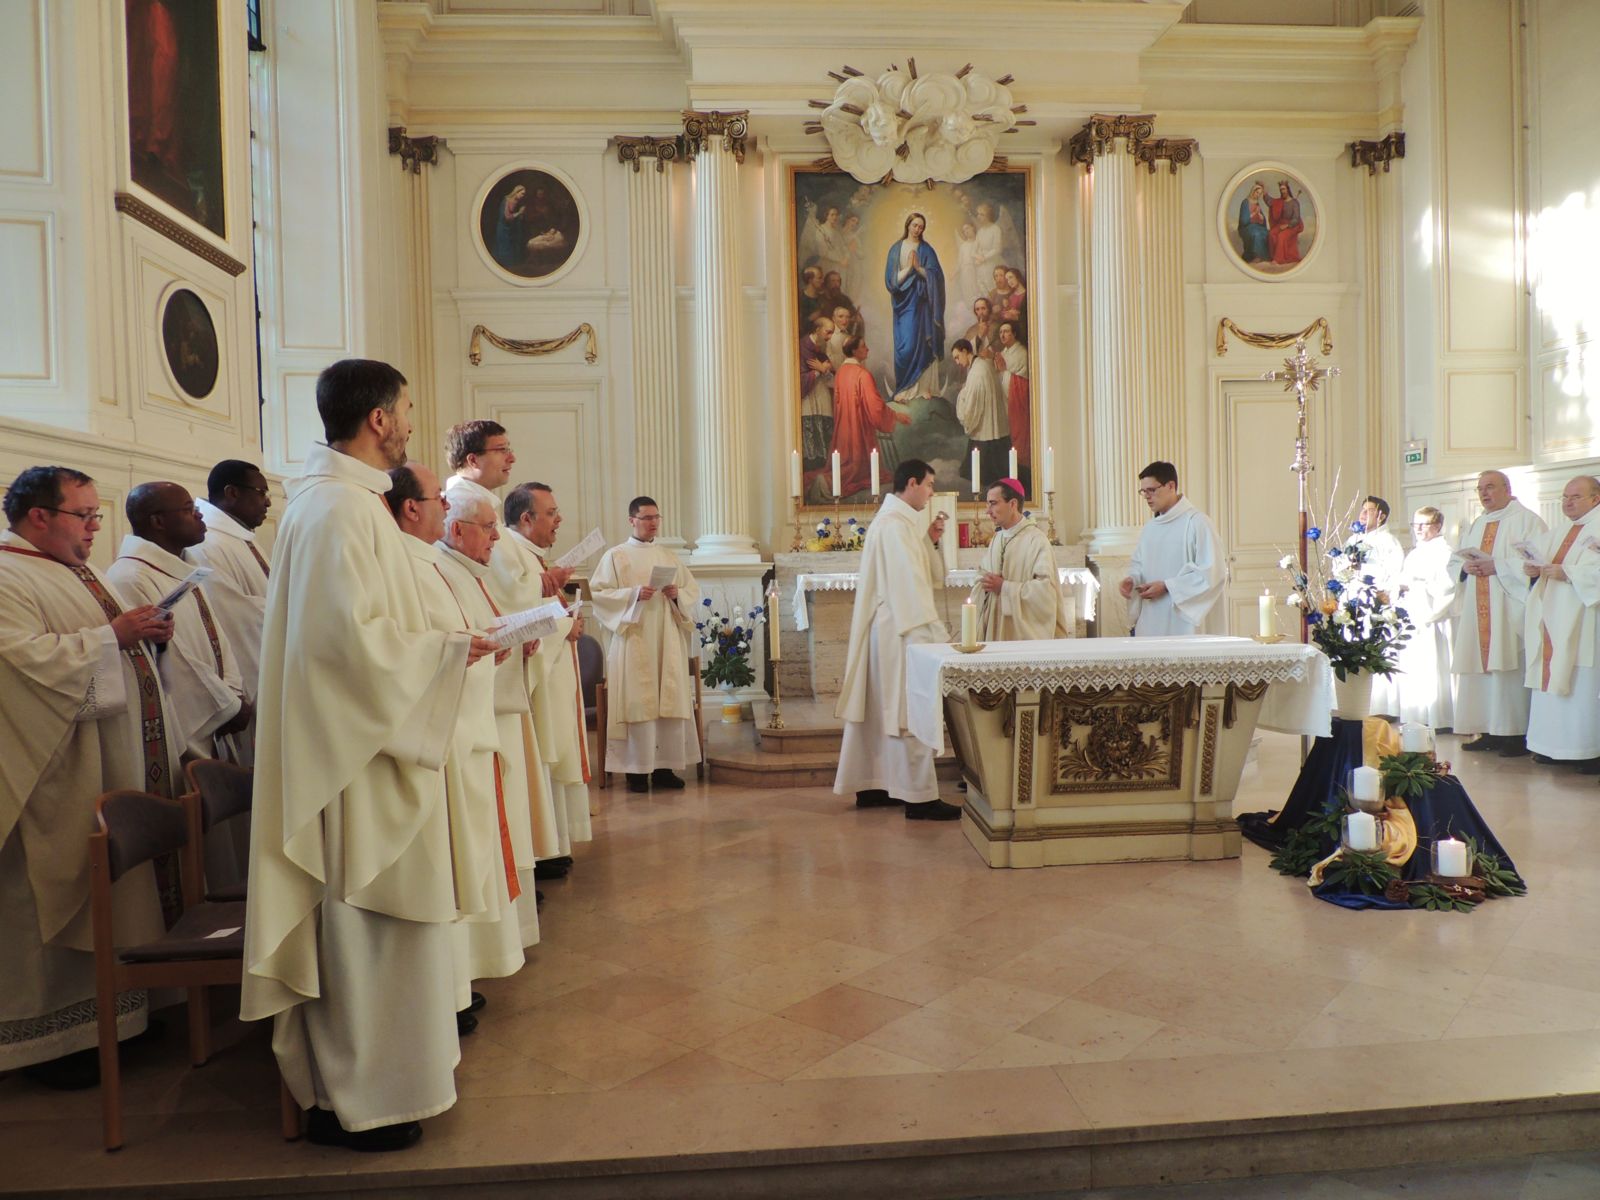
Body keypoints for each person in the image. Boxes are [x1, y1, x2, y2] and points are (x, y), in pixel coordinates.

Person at [242, 359, 497, 1153]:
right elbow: (349, 651)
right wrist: (449, 653)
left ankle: (385, 1085)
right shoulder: (338, 512)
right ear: (379, 420)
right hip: (353, 765)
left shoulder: (343, 505)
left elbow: (369, 636)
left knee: (389, 937)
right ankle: (355, 1098)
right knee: (364, 931)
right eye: (408, 409)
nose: (414, 423)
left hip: (371, 746)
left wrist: (449, 647)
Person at [0, 466, 176, 1088]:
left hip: (111, 758)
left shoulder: (79, 569)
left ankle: (124, 1014)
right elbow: (17, 664)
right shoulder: (7, 575)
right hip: (54, 774)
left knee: (118, 894)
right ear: (39, 516)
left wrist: (143, 636)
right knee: (54, 893)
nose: (95, 530)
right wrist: (111, 638)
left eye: (97, 517)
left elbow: (111, 647)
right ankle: (59, 1041)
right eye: (84, 517)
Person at [385, 463, 516, 1033]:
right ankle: (445, 994)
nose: (443, 505)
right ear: (413, 508)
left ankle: (455, 986)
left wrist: (474, 649)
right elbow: (394, 652)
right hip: (425, 744)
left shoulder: (422, 562)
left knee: (455, 871)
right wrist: (460, 651)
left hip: (453, 728)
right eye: (437, 497)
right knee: (437, 874)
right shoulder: (404, 564)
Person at [106, 483, 252, 892]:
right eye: (189, 510)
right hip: (188, 727)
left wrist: (235, 692)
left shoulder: (182, 566)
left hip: (218, 715)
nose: (201, 515)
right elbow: (176, 658)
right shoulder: (131, 576)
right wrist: (227, 705)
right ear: (158, 521)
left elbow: (219, 638)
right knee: (208, 855)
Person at [443, 421, 563, 908]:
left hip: (502, 653)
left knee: (510, 778)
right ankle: (503, 889)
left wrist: (525, 623)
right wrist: (525, 617)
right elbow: (498, 585)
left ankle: (513, 879)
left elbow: (497, 587)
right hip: (482, 670)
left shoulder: (476, 504)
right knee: (498, 778)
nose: (510, 460)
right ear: (472, 459)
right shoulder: (463, 504)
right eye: (501, 451)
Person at [436, 486, 543, 980]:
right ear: (456, 528)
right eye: (488, 528)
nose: (496, 538)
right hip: (456, 732)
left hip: (476, 719)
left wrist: (500, 643)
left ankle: (484, 960)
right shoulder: (437, 571)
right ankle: (469, 969)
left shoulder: (463, 571)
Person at [833, 458, 960, 820]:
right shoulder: (894, 527)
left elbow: (925, 576)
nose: (932, 493)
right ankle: (919, 797)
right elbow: (911, 589)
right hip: (903, 631)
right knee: (908, 711)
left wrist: (931, 541)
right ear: (912, 483)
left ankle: (872, 784)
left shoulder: (900, 525)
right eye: (930, 485)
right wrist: (934, 636)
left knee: (879, 712)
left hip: (890, 630)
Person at [504, 482, 592, 864]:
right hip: (534, 678)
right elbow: (510, 611)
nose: (560, 520)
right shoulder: (512, 554)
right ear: (527, 519)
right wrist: (563, 627)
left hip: (554, 672)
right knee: (542, 754)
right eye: (552, 513)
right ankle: (544, 851)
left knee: (554, 751)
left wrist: (566, 621)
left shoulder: (530, 555)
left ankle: (554, 845)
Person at [589, 498, 702, 793]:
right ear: (632, 520)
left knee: (668, 700)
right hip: (633, 639)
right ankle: (636, 771)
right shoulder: (615, 556)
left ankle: (665, 769)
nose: (653, 523)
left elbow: (691, 590)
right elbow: (599, 594)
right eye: (646, 517)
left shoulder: (668, 556)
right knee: (638, 702)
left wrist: (677, 594)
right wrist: (632, 595)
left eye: (656, 517)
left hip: (667, 639)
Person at [1450, 470, 1545, 755]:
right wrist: (1464, 569)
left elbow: (1537, 563)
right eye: (1480, 489)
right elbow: (1454, 561)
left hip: (1507, 609)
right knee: (1481, 671)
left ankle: (1514, 734)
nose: (1484, 494)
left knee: (1508, 669)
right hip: (1476, 610)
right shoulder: (1477, 524)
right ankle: (1488, 729)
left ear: (1507, 488)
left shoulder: (1528, 521)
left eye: (1490, 487)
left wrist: (1499, 567)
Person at [188, 459, 272, 768]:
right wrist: (296, 611)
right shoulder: (208, 544)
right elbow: (232, 616)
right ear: (231, 493)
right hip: (248, 683)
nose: (268, 501)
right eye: (261, 491)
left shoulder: (241, 537)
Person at [1522, 476, 1600, 768]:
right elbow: (1541, 560)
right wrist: (1531, 568)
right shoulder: (1562, 529)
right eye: (1565, 497)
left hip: (1586, 620)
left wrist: (1569, 574)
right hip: (1552, 617)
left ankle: (1588, 750)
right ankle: (1551, 744)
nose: (1568, 502)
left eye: (1575, 497)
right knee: (1550, 675)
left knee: (1583, 684)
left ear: (1596, 498)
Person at [1119, 461, 1225, 636]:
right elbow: (1139, 564)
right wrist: (1132, 580)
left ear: (1171, 486)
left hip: (1184, 620)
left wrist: (1168, 586)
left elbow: (1212, 573)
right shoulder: (1150, 528)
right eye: (1143, 492)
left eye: (1152, 490)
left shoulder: (1197, 523)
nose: (1147, 496)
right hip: (1151, 618)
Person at [972, 479, 1070, 642]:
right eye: (987, 505)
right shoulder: (997, 539)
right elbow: (982, 576)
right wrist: (985, 583)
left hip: (1021, 637)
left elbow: (1045, 593)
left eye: (993, 504)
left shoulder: (1036, 540)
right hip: (995, 631)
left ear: (1012, 504)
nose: (987, 511)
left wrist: (1004, 587)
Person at [1393, 507, 1457, 728]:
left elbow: (1449, 586)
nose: (1418, 529)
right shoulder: (1415, 552)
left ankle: (1439, 719)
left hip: (1433, 621)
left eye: (1424, 524)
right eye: (1415, 524)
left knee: (1435, 670)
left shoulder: (1445, 553)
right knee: (1416, 670)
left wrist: (1418, 587)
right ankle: (1417, 717)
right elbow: (1404, 580)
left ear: (1438, 526)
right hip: (1413, 618)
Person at [830, 334, 909, 498]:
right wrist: (895, 416)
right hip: (859, 428)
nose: (867, 349)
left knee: (846, 464)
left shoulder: (840, 373)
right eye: (863, 346)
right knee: (859, 469)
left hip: (844, 429)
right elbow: (875, 406)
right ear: (854, 351)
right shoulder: (862, 374)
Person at [1349, 496, 1406, 715]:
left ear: (1381, 515)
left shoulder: (1388, 542)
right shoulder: (1353, 539)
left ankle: (1381, 706)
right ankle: (1354, 700)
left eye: (1369, 510)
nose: (1363, 514)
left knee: (1376, 650)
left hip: (1375, 604)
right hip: (1354, 603)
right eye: (1362, 510)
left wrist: (1382, 591)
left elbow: (1394, 572)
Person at [885, 212, 945, 403]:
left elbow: (937, 277)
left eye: (921, 227)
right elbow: (891, 281)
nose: (917, 229)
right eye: (915, 225)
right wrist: (910, 269)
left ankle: (924, 388)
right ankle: (904, 389)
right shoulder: (896, 249)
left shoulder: (927, 249)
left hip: (922, 304)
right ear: (908, 225)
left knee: (923, 344)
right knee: (906, 347)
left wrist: (919, 269)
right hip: (903, 304)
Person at [953, 338, 1009, 489]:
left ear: (965, 351)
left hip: (985, 428)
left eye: (957, 357)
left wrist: (962, 398)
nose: (957, 362)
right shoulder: (981, 365)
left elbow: (972, 404)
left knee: (978, 473)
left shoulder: (977, 371)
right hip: (991, 425)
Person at [799, 314, 837, 472]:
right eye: (827, 332)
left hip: (821, 396)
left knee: (825, 427)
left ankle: (823, 460)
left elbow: (830, 376)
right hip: (809, 397)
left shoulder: (820, 350)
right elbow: (798, 378)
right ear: (817, 330)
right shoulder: (802, 348)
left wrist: (823, 370)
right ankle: (813, 461)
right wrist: (817, 372)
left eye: (832, 333)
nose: (829, 337)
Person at [997, 320, 1031, 490]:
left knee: (1019, 438)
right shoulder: (1005, 351)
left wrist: (1003, 370)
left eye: (1007, 331)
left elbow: (1020, 381)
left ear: (1014, 334)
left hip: (1018, 404)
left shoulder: (1021, 353)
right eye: (1001, 331)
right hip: (1007, 403)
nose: (1002, 335)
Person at [1269, 180, 1305, 266]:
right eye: (1281, 190)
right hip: (1281, 224)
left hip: (1293, 225)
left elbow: (1296, 218)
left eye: (1284, 189)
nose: (1282, 191)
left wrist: (1287, 225)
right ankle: (1272, 256)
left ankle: (1278, 260)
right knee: (1271, 233)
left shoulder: (1295, 203)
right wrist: (1264, 193)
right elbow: (1270, 201)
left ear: (1288, 190)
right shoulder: (1280, 202)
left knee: (1281, 236)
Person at [1237, 181, 1270, 263]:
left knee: (1267, 233)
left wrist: (1261, 218)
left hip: (1256, 226)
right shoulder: (1245, 202)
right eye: (1257, 192)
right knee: (1256, 234)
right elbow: (1243, 220)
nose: (1258, 195)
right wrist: (1254, 213)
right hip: (1246, 227)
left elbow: (1263, 222)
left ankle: (1265, 257)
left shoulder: (1257, 203)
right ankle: (1256, 256)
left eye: (1260, 194)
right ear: (1253, 191)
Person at [963, 297, 999, 362]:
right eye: (977, 309)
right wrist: (979, 335)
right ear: (975, 312)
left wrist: (992, 355)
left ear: (989, 310)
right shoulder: (971, 330)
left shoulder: (997, 327)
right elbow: (965, 351)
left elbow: (1002, 350)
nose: (980, 312)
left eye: (983, 308)